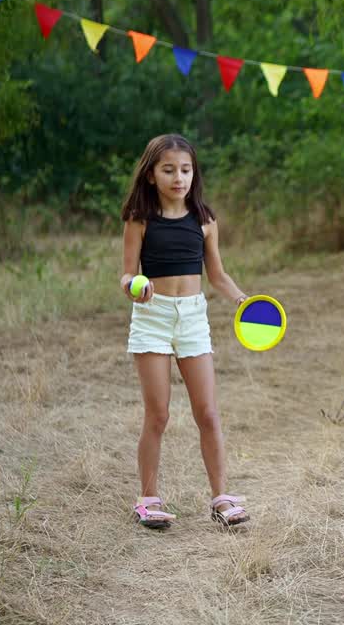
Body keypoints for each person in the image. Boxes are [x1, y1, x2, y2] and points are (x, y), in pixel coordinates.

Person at [119, 133, 251, 530]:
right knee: (157, 415)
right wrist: (134, 288)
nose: (179, 178)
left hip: (192, 319)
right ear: (151, 175)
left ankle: (222, 498)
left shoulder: (205, 221)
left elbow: (218, 276)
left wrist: (245, 301)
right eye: (169, 170)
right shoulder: (139, 220)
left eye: (186, 169)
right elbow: (127, 274)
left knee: (208, 413)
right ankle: (148, 498)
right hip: (153, 317)